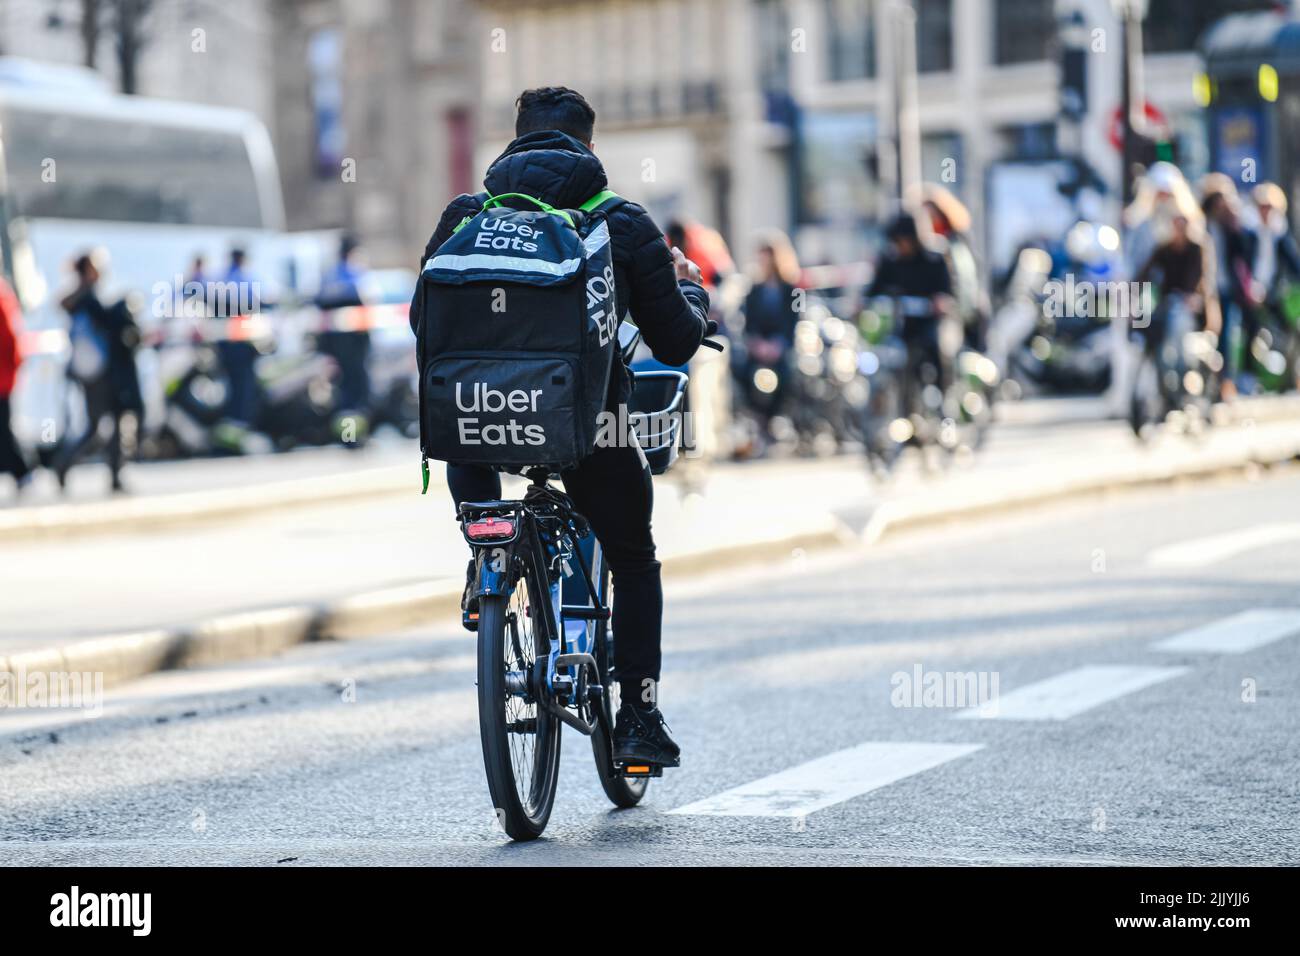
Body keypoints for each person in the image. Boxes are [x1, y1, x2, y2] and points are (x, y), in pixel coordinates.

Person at [411, 87, 711, 768]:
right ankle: (637, 717)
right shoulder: (621, 222)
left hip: (474, 431)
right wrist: (688, 286)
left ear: (515, 143)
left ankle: (488, 553)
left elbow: (421, 322)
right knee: (634, 559)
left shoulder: (467, 215)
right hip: (588, 430)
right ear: (590, 148)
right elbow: (676, 341)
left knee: (480, 464)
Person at [52, 252, 142, 492]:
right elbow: (109, 327)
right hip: (104, 372)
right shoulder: (90, 298)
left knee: (101, 425)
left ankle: (69, 464)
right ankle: (77, 466)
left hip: (89, 373)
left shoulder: (77, 298)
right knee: (106, 425)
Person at [866, 212, 953, 416]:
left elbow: (947, 291)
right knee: (889, 359)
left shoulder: (934, 258)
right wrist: (862, 304)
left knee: (935, 351)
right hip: (899, 326)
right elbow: (873, 290)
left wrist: (940, 302)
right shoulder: (890, 261)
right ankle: (901, 413)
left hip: (927, 324)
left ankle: (943, 404)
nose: (900, 246)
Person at [739, 230, 801, 439]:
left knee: (786, 375)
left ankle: (775, 419)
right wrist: (757, 344)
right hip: (759, 348)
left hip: (781, 348)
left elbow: (795, 320)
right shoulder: (753, 290)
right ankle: (760, 420)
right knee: (744, 372)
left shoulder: (792, 290)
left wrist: (779, 345)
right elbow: (747, 322)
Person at [1201, 175, 1255, 399]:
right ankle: (1209, 383)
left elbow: (1245, 253)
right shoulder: (1201, 225)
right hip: (1205, 290)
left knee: (1228, 337)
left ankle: (1226, 383)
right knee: (1208, 337)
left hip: (1226, 288)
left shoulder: (1230, 226)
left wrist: (1234, 220)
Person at [316, 235, 372, 441]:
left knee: (343, 386)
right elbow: (368, 301)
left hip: (334, 342)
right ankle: (354, 437)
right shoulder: (354, 274)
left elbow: (319, 305)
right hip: (355, 341)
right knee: (357, 386)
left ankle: (346, 436)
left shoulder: (329, 276)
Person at [213, 247, 261, 446]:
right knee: (244, 386)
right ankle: (240, 426)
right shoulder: (245, 279)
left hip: (224, 345)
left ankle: (231, 426)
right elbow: (258, 304)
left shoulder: (220, 280)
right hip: (242, 344)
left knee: (231, 385)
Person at [0, 275, 31, 491]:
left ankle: (22, 471)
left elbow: (10, 338)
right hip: (4, 374)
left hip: (2, 376)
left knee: (3, 430)